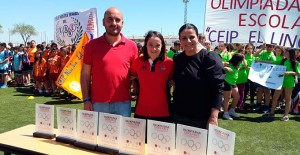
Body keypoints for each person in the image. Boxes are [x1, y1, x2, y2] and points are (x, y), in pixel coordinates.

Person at [81, 7, 138, 117]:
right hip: (98, 104)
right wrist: (86, 99)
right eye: (110, 19)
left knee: (122, 134)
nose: (113, 23)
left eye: (117, 20)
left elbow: (135, 74)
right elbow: (85, 75)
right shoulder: (91, 46)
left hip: (123, 103)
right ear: (103, 22)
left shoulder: (132, 46)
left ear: (122, 23)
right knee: (99, 134)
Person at [172, 23, 225, 129]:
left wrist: (214, 117)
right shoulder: (178, 59)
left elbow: (217, 89)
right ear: (180, 40)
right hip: (179, 115)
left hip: (201, 118)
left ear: (198, 38)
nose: (188, 41)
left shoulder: (210, 57)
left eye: (192, 37)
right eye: (184, 38)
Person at [131, 30, 173, 122]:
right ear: (145, 45)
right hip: (141, 112)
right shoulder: (137, 62)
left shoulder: (170, 63)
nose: (154, 49)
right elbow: (131, 77)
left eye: (157, 45)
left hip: (164, 113)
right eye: (150, 45)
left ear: (162, 46)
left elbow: (174, 82)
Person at [263, 49, 300, 121]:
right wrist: (259, 61)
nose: (284, 53)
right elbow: (271, 63)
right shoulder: (283, 61)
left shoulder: (295, 63)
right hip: (279, 81)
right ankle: (271, 113)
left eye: (286, 52)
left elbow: (298, 73)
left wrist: (289, 73)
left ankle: (286, 115)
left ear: (290, 53)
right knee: (275, 97)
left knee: (287, 98)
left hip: (289, 82)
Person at [223, 53, 247, 120]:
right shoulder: (228, 64)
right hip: (227, 82)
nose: (242, 62)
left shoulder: (238, 64)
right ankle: (225, 113)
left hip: (234, 82)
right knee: (227, 98)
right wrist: (225, 67)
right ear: (237, 60)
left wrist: (243, 57)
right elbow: (218, 66)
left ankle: (232, 111)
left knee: (237, 97)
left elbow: (245, 65)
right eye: (241, 60)